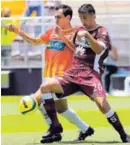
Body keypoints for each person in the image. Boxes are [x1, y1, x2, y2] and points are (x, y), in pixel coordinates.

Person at [19, 3, 129, 143]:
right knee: (45, 87)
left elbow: (99, 50)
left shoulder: (101, 32)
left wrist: (88, 36)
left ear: (94, 16)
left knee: (102, 105)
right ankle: (55, 127)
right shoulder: (79, 31)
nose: (84, 21)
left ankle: (123, 134)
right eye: (81, 18)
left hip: (90, 75)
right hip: (73, 74)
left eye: (86, 18)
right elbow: (72, 47)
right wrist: (64, 37)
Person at [6, 4, 94, 143]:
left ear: (68, 17)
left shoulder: (77, 32)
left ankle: (54, 129)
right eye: (55, 17)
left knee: (36, 100)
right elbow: (35, 41)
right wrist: (18, 31)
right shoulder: (52, 31)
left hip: (64, 77)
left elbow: (80, 52)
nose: (56, 19)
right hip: (49, 75)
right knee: (62, 109)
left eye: (58, 17)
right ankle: (85, 129)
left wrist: (63, 37)